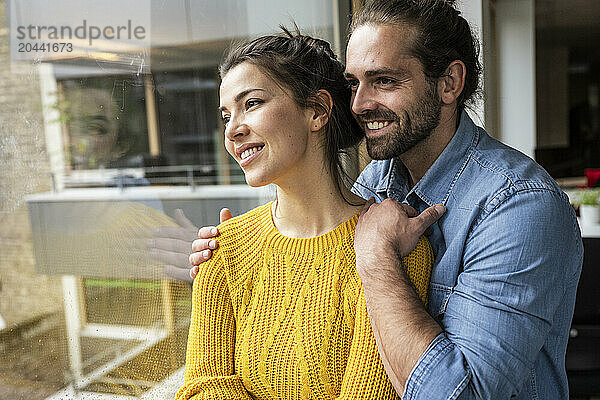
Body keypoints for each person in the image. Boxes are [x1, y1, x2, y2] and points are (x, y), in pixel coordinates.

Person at [190, 1, 584, 399]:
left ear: (449, 83)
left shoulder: (519, 206)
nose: (359, 104)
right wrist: (240, 252)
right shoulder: (376, 180)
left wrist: (377, 259)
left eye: (384, 81)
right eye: (353, 83)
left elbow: (462, 394)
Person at [175, 29, 437, 400]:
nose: (233, 129)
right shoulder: (222, 250)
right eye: (226, 115)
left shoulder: (392, 253)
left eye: (251, 104)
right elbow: (201, 389)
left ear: (316, 111)